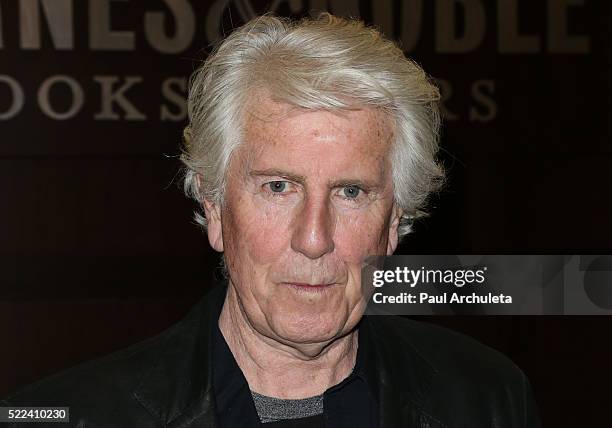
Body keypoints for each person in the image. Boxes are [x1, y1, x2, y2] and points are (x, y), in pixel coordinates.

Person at [2, 13, 540, 427]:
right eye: (278, 187)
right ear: (213, 206)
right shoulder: (69, 415)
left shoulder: (487, 398)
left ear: (396, 219)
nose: (313, 239)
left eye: (351, 192)